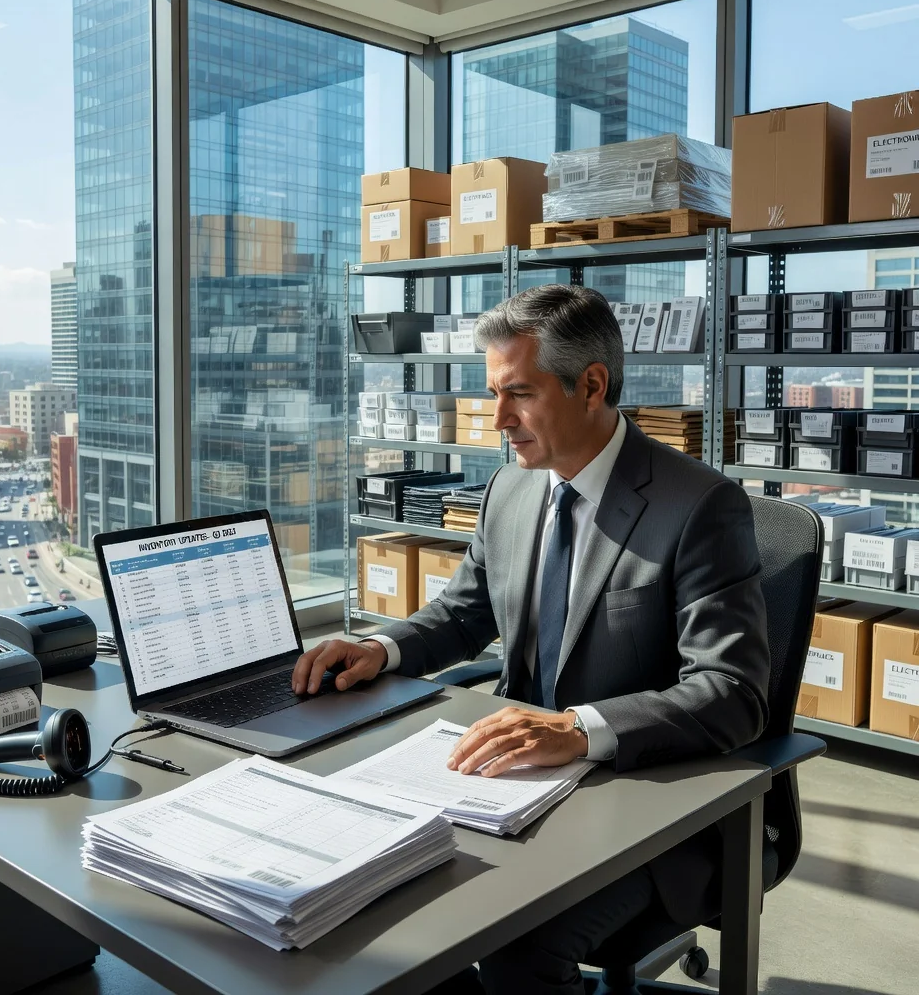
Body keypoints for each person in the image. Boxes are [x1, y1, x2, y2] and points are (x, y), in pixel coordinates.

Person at [292, 283, 770, 995]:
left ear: (592, 386)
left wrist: (579, 730)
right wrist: (382, 650)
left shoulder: (698, 506)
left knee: (518, 953)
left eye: (518, 393)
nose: (497, 419)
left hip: (644, 800)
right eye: (493, 393)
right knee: (383, 898)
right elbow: (464, 612)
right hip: (508, 785)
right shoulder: (511, 490)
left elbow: (732, 692)